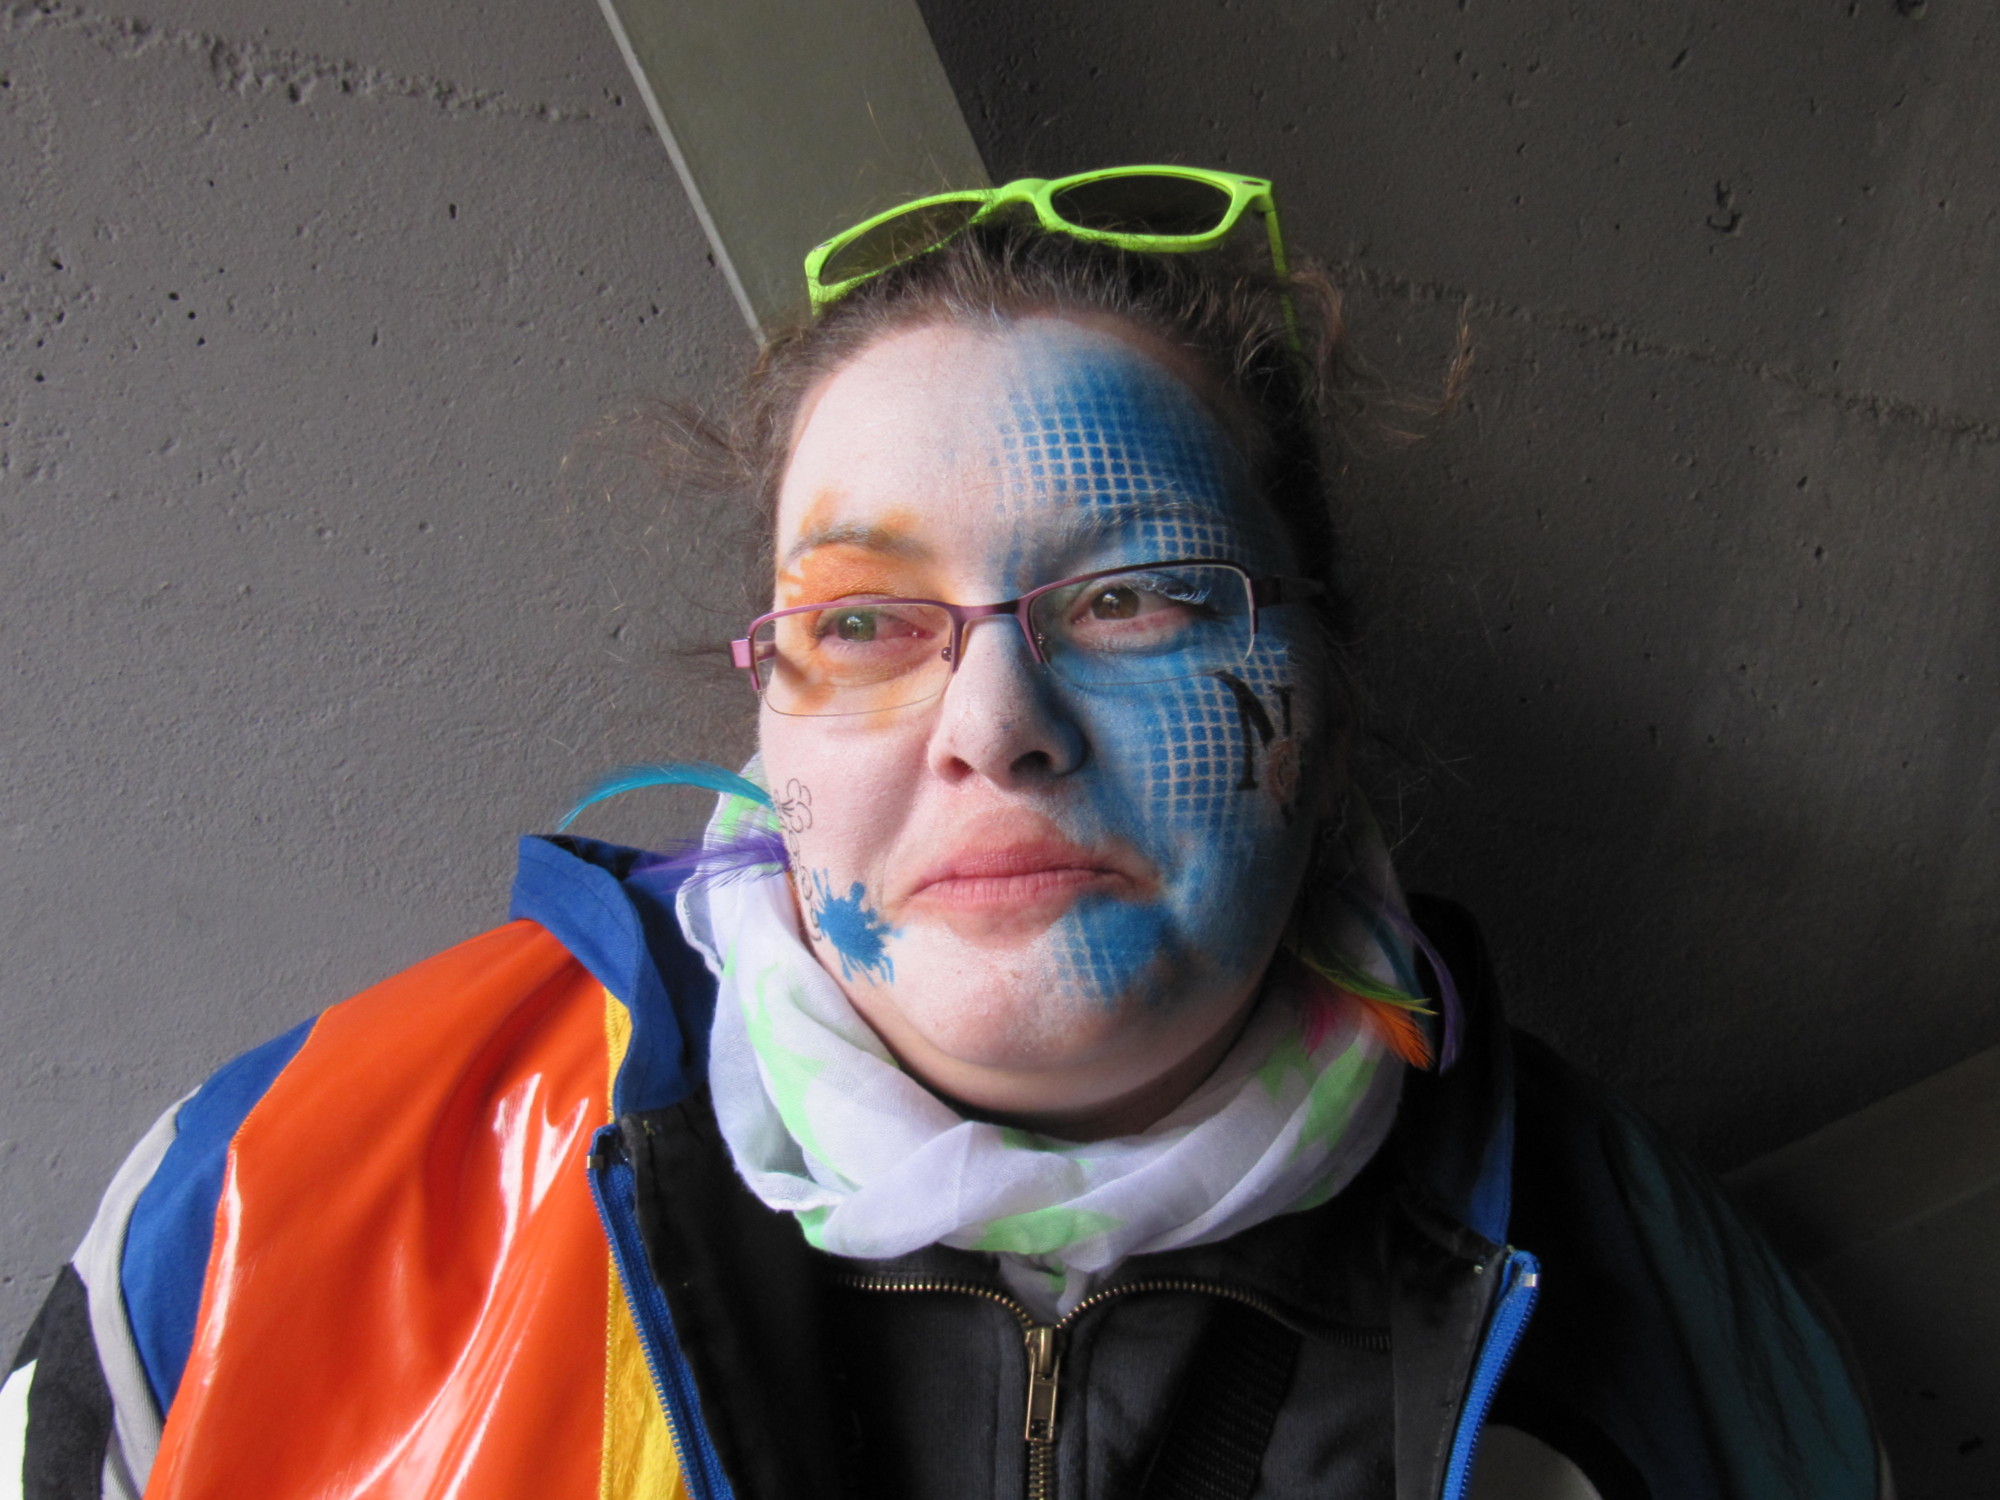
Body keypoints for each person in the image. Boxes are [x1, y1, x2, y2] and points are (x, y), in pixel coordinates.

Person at [4, 168, 1880, 1500]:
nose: (995, 730)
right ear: (765, 703)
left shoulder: (1665, 1311)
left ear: (1326, 688)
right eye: (866, 625)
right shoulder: (270, 1201)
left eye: (1136, 600)